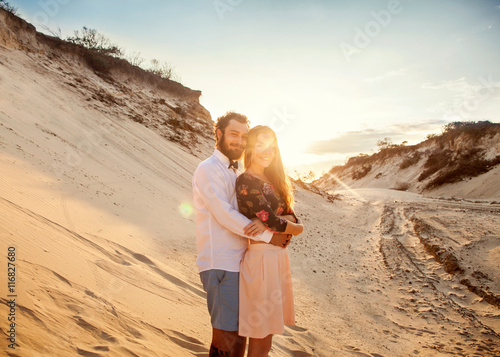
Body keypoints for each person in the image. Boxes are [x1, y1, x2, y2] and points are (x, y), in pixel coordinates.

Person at [192, 112, 291, 357]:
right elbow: (224, 215)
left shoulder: (235, 174)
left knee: (239, 341)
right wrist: (270, 236)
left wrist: (271, 220)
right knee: (226, 341)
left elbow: (251, 213)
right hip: (221, 264)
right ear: (219, 134)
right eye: (233, 134)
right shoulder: (208, 169)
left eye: (244, 136)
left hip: (240, 265)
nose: (239, 141)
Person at [236, 125, 304, 357]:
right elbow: (274, 221)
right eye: (260, 145)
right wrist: (298, 229)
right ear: (250, 148)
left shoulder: (273, 179)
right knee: (260, 332)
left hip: (277, 260)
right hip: (261, 261)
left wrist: (287, 224)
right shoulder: (245, 181)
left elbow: (288, 216)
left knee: (268, 335)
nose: (266, 151)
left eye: (271, 147)